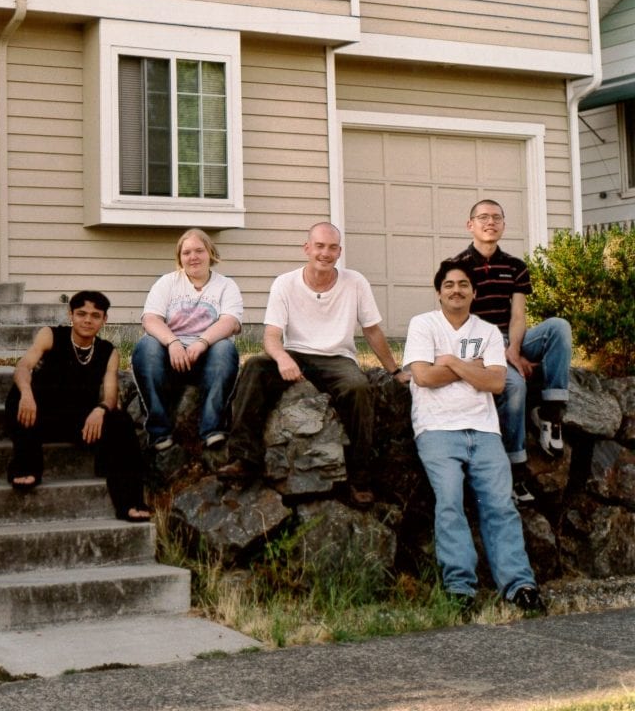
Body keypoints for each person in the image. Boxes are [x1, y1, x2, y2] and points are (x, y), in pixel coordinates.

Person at [217, 222, 402, 507]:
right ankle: (245, 459)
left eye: (332, 248)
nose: (325, 253)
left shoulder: (355, 282)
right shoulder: (285, 283)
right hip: (296, 354)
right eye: (319, 246)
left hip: (338, 358)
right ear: (307, 248)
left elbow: (372, 331)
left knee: (359, 388)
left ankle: (360, 477)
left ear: (339, 252)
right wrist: (282, 358)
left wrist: (395, 370)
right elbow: (271, 336)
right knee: (254, 367)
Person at [403, 258, 546, 615]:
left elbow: (496, 382)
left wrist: (449, 362)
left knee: (500, 506)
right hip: (436, 429)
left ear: (474, 292)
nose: (456, 290)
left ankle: (519, 585)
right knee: (449, 502)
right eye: (449, 285)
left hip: (483, 430)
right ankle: (460, 588)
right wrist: (470, 368)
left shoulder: (486, 331)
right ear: (438, 292)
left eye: (463, 285)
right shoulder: (423, 325)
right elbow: (422, 377)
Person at [454, 199, 572, 504]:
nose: (490, 222)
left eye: (496, 217)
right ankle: (514, 469)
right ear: (471, 225)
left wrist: (514, 350)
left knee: (559, 327)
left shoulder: (516, 267)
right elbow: (459, 323)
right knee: (515, 383)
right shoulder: (457, 267)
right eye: (483, 217)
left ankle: (550, 414)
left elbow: (518, 317)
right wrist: (499, 351)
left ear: (504, 225)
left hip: (510, 338)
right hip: (478, 343)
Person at [5, 290, 150, 522]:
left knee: (120, 420)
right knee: (17, 394)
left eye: (95, 315)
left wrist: (100, 409)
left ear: (104, 320)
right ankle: (25, 465)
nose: (87, 320)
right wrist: (27, 393)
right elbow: (23, 367)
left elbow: (111, 395)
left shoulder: (107, 351)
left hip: (78, 420)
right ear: (70, 314)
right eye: (81, 313)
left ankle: (130, 502)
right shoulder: (50, 335)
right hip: (40, 414)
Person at [131, 228, 243, 452]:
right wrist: (172, 343)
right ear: (180, 258)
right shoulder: (167, 283)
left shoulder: (226, 286)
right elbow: (150, 320)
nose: (193, 257)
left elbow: (230, 322)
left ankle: (212, 430)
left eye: (199, 251)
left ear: (210, 253)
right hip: (169, 356)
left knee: (225, 348)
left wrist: (201, 342)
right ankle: (159, 431)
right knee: (146, 345)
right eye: (187, 252)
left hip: (207, 356)